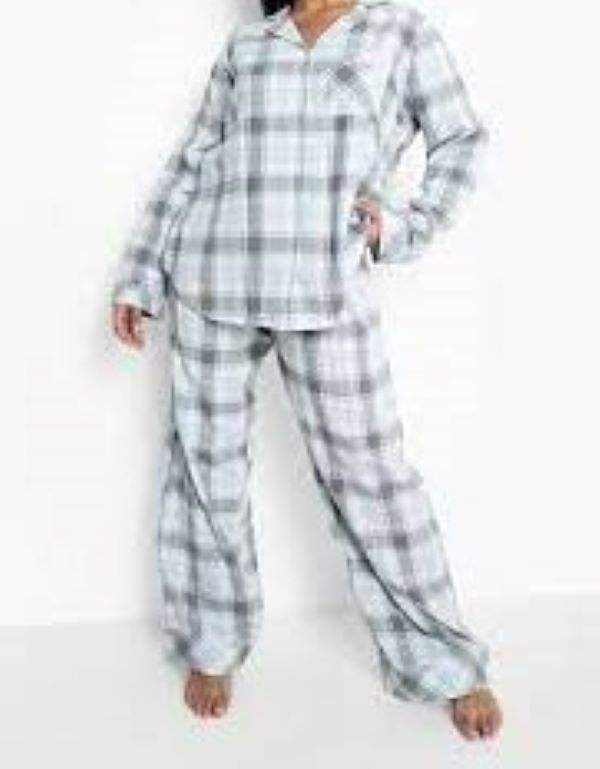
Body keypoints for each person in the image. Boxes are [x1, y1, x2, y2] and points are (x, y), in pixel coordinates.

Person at [110, 0, 503, 740]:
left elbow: (462, 140)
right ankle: (212, 641)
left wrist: (401, 229)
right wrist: (140, 275)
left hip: (327, 287)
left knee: (372, 477)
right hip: (212, 279)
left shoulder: (398, 31)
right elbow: (194, 161)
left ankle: (445, 660)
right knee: (206, 469)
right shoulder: (250, 45)